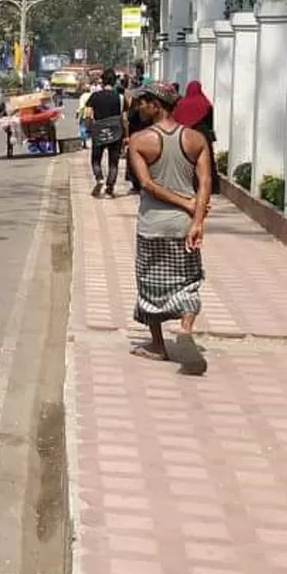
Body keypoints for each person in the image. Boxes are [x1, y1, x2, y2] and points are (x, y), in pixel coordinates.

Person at [125, 83, 211, 370]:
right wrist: (196, 218)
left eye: (143, 102)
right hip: (183, 226)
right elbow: (205, 184)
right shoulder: (196, 139)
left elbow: (147, 184)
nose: (139, 108)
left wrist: (186, 206)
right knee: (187, 280)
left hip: (152, 224)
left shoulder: (139, 140)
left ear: (156, 104)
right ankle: (185, 330)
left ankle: (158, 345)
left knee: (151, 284)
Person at [85, 69, 127, 197]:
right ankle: (110, 187)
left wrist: (89, 128)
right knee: (113, 162)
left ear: (102, 81)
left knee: (96, 159)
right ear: (115, 82)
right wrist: (126, 135)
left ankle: (99, 178)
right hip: (116, 131)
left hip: (99, 131)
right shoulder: (120, 98)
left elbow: (87, 115)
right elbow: (124, 118)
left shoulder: (94, 96)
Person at [173, 79, 217, 189]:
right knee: (206, 159)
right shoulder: (205, 103)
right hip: (203, 133)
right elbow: (210, 122)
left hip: (186, 134)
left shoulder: (181, 104)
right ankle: (210, 186)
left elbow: (176, 118)